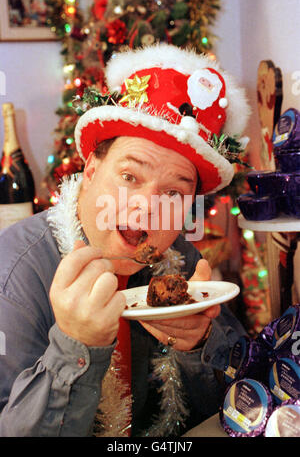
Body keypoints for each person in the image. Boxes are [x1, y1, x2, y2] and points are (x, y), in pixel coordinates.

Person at [0, 43, 250, 437]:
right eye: (130, 176)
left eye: (172, 194)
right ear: (91, 170)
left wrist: (200, 342)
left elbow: (242, 399)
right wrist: (74, 347)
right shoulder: (14, 274)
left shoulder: (179, 260)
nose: (147, 209)